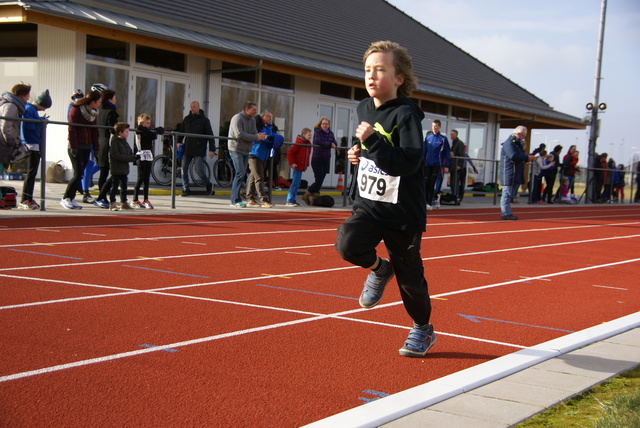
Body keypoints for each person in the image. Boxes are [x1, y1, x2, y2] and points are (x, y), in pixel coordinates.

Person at [335, 40, 435, 358]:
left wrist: (372, 142)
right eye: (368, 70)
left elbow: (408, 161)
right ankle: (380, 269)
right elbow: (372, 151)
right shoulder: (364, 107)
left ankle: (422, 328)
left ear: (399, 78)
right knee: (347, 243)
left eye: (380, 70)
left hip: (402, 211)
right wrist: (357, 153)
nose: (372, 76)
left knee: (411, 279)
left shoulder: (407, 115)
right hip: (370, 203)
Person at [61, 90, 101, 209]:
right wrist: (74, 146)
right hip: (76, 146)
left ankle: (71, 198)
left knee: (80, 174)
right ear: (92, 102)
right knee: (78, 173)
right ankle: (66, 198)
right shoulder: (76, 109)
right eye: (98, 102)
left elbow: (94, 131)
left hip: (86, 146)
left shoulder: (93, 113)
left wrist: (96, 148)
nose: (99, 104)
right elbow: (72, 128)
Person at [228, 101, 266, 208]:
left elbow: (254, 133)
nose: (255, 112)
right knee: (240, 172)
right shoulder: (237, 118)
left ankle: (236, 199)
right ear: (246, 109)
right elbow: (239, 134)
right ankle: (235, 200)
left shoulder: (252, 120)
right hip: (235, 148)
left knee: (242, 173)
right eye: (253, 109)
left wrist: (260, 136)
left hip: (246, 149)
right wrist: (256, 137)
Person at [18, 89, 52, 210]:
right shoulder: (29, 109)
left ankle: (28, 197)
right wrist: (41, 122)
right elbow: (29, 125)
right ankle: (25, 199)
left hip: (34, 143)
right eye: (45, 107)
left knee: (32, 173)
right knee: (31, 173)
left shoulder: (31, 109)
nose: (44, 110)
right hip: (31, 144)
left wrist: (40, 121)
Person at [177, 101, 215, 196]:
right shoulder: (187, 119)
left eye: (194, 106)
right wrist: (178, 141)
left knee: (199, 170)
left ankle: (208, 184)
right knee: (183, 169)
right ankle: (186, 188)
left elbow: (210, 135)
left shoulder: (204, 120)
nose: (192, 108)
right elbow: (181, 131)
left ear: (199, 107)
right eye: (191, 107)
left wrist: (212, 149)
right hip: (188, 148)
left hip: (199, 149)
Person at [500, 126, 535, 220]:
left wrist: (526, 158)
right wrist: (526, 157)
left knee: (509, 193)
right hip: (509, 171)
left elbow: (519, 156)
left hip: (514, 171)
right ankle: (505, 213)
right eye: (523, 136)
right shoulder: (509, 143)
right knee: (506, 193)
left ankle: (507, 212)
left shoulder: (516, 144)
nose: (523, 138)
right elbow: (513, 156)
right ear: (518, 134)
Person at [247, 109, 280, 208]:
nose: (270, 119)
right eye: (268, 116)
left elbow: (269, 137)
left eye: (271, 117)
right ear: (263, 116)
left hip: (264, 154)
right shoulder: (255, 125)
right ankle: (264, 199)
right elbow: (256, 138)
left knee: (254, 176)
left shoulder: (269, 127)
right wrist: (265, 138)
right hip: (254, 153)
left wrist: (271, 139)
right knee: (259, 177)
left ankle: (250, 198)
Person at [80, 84, 106, 204]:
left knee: (100, 164)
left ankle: (86, 178)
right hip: (87, 140)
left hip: (95, 139)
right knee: (89, 164)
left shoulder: (98, 108)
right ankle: (85, 192)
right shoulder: (85, 107)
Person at [93, 89, 119, 208]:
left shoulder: (99, 110)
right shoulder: (111, 111)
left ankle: (102, 197)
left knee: (103, 172)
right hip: (108, 143)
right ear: (110, 99)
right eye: (114, 97)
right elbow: (113, 130)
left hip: (100, 142)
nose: (115, 99)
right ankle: (101, 196)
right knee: (113, 172)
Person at [132, 114, 163, 209]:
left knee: (146, 179)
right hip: (141, 156)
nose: (148, 125)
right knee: (140, 178)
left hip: (148, 156)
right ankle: (134, 199)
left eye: (149, 123)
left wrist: (158, 130)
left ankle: (145, 199)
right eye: (147, 123)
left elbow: (154, 135)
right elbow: (144, 130)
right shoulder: (139, 130)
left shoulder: (149, 131)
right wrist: (153, 131)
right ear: (141, 123)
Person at [304, 116, 337, 205]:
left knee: (321, 179)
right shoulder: (317, 132)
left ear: (329, 125)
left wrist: (333, 144)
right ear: (320, 124)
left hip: (326, 159)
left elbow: (335, 142)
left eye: (326, 124)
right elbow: (318, 142)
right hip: (317, 159)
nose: (325, 125)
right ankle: (308, 192)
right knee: (319, 179)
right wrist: (330, 144)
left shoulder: (331, 133)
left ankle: (314, 197)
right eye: (323, 124)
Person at [0, 83, 31, 175]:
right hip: (3, 143)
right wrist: (10, 140)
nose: (28, 98)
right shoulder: (11, 106)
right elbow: (6, 125)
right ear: (22, 96)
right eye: (27, 96)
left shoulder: (11, 105)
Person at [108, 122, 135, 211]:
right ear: (120, 132)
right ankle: (112, 203)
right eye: (126, 132)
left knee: (124, 186)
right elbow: (115, 155)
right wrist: (128, 158)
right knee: (115, 186)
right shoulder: (115, 141)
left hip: (124, 168)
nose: (128, 134)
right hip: (116, 167)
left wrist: (133, 157)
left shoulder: (124, 142)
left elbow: (130, 152)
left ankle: (123, 202)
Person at [423, 120, 450, 210]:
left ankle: (429, 202)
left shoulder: (443, 139)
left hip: (437, 164)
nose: (434, 128)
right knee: (425, 183)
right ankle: (425, 201)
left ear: (439, 127)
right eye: (433, 126)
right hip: (427, 164)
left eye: (436, 126)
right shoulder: (427, 138)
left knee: (431, 183)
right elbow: (424, 151)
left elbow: (447, 153)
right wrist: (422, 162)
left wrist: (446, 166)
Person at [286, 127, 312, 207]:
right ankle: (289, 200)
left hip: (300, 166)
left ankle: (292, 200)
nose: (310, 136)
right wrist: (292, 163)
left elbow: (307, 155)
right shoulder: (299, 143)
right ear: (304, 135)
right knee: (295, 183)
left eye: (311, 135)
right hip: (297, 166)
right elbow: (290, 152)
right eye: (309, 135)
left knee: (297, 183)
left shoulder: (308, 144)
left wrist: (306, 164)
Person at [449, 129, 465, 201]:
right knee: (452, 182)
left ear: (456, 135)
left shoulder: (459, 143)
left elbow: (462, 155)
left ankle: (457, 196)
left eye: (452, 134)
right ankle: (454, 196)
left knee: (455, 182)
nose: (451, 136)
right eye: (450, 134)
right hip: (453, 166)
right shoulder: (453, 143)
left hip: (457, 167)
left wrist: (459, 165)